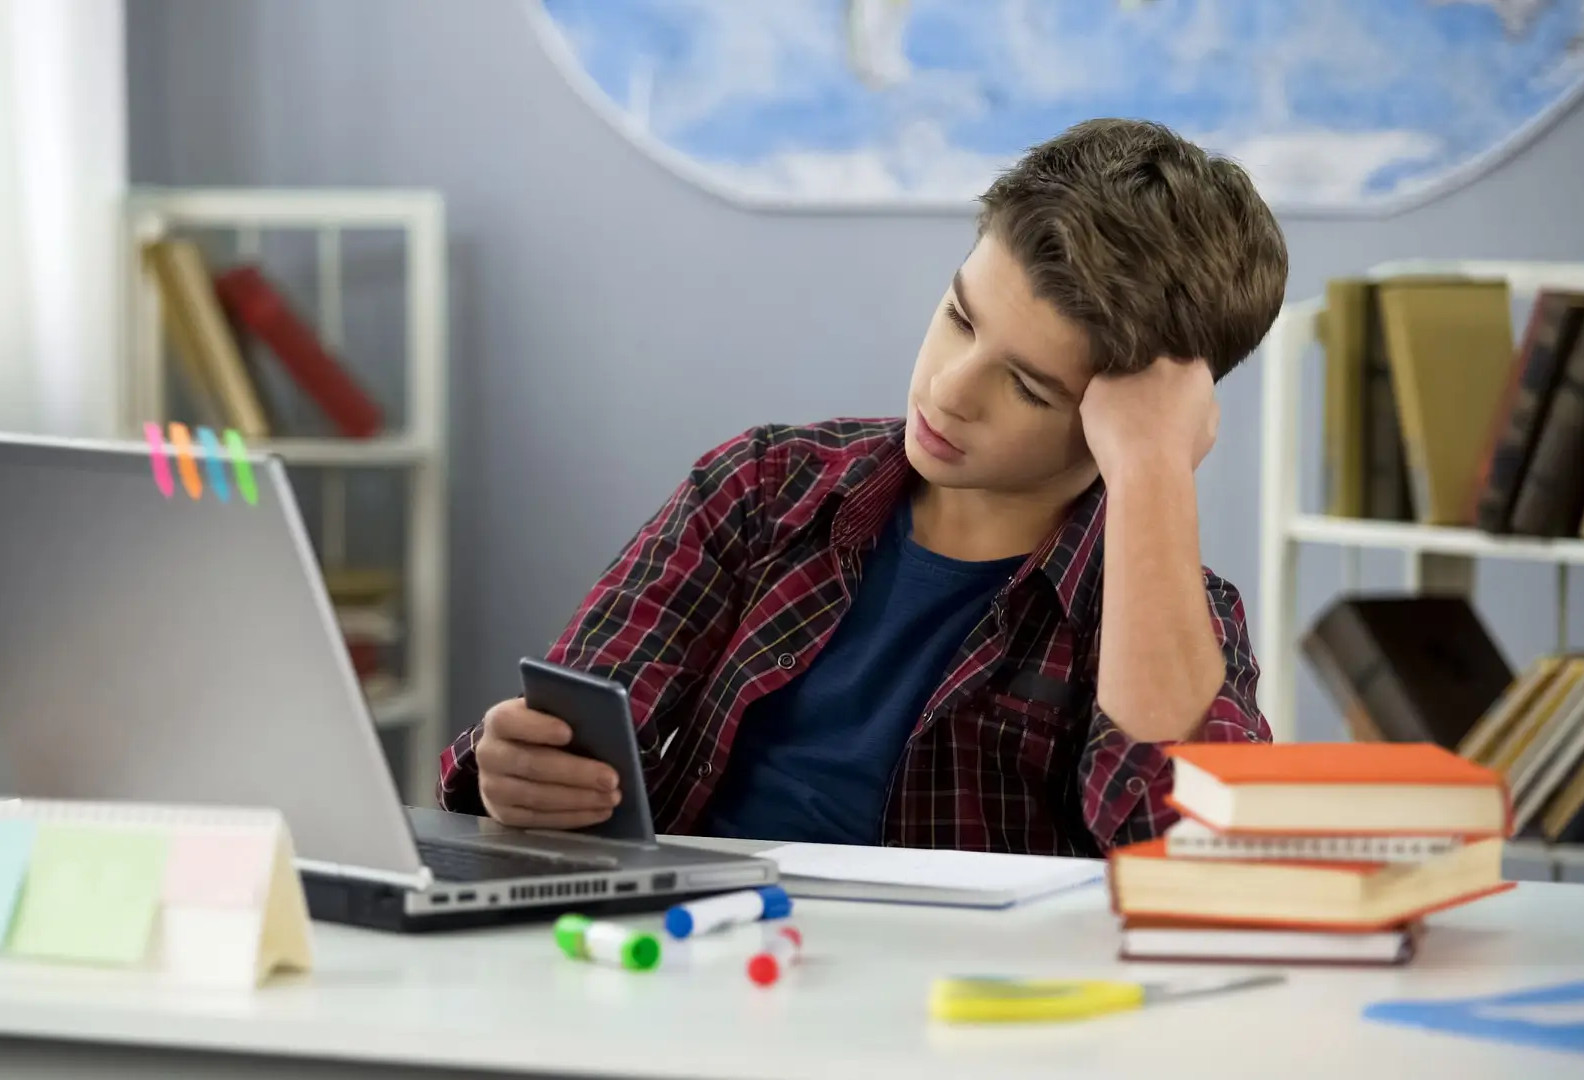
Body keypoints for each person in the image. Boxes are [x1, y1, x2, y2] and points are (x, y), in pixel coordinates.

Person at [436, 118, 1287, 856]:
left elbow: (1189, 852)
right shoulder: (764, 488)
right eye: (959, 318)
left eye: (1029, 388)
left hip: (959, 1017)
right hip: (700, 963)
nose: (951, 389)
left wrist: (1152, 470)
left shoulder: (1175, 617)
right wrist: (511, 771)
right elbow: (565, 728)